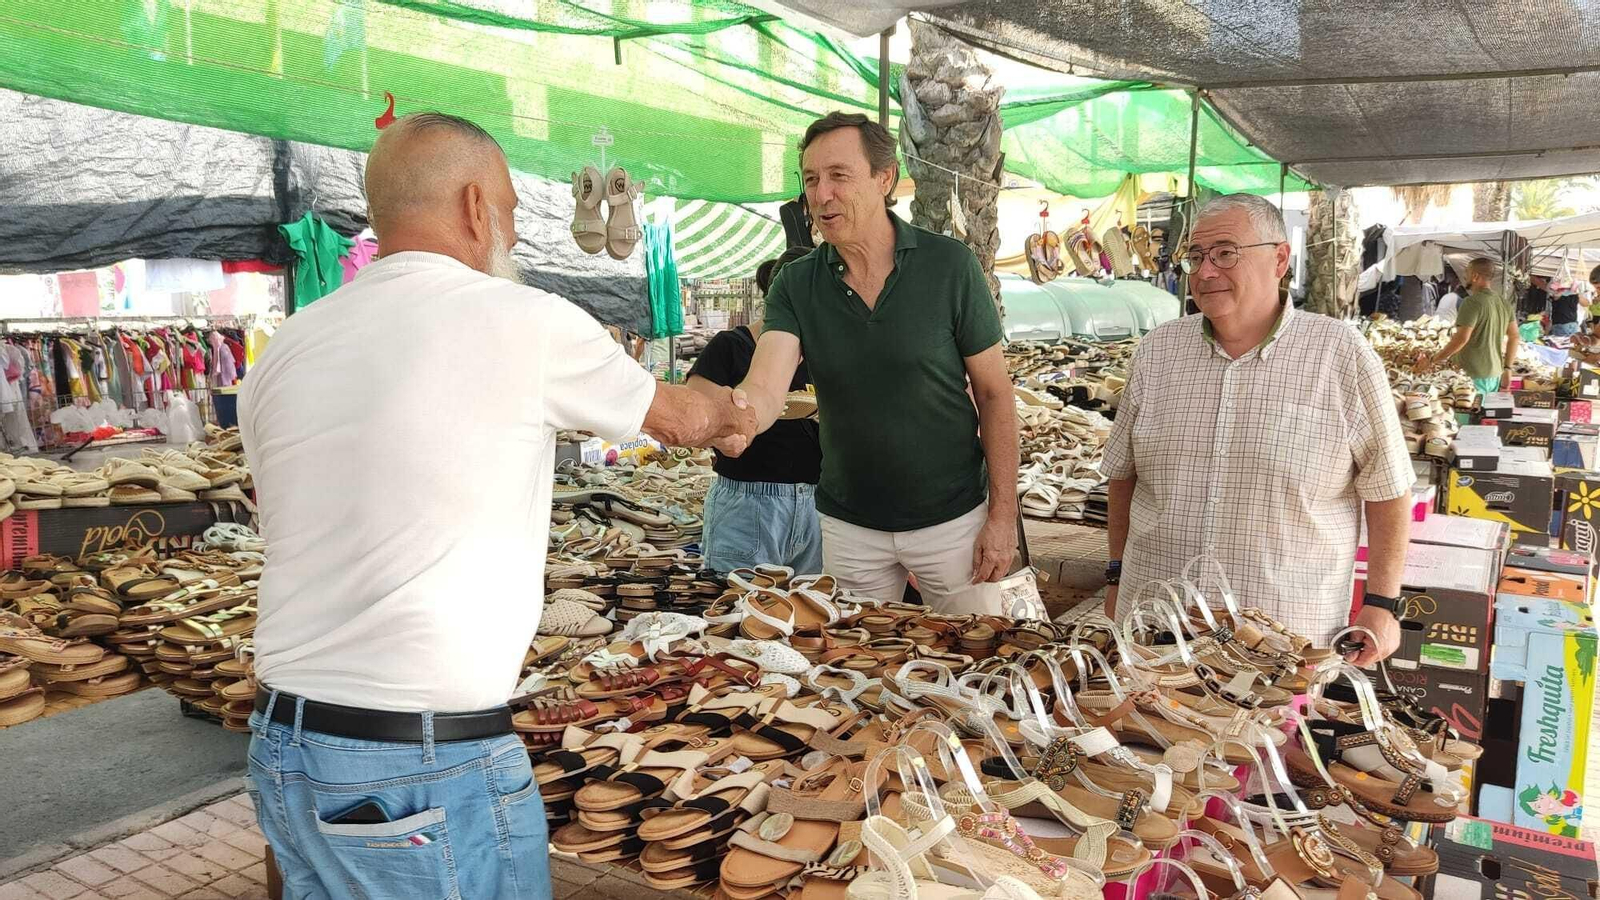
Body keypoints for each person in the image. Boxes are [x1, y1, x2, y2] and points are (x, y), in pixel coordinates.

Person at [238, 112, 755, 899]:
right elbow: (684, 420)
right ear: (476, 206)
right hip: (418, 761)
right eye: (511, 211)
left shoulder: (289, 349)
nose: (510, 233)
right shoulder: (522, 321)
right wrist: (736, 407)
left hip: (286, 745)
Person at [1102, 193, 1415, 666]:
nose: (1206, 272)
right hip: (1156, 626)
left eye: (1226, 253)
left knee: (1262, 745)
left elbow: (1388, 488)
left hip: (1282, 640)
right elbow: (1123, 476)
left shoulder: (1340, 355)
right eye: (1195, 257)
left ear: (1280, 259)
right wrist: (1114, 576)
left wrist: (1382, 604)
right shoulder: (1158, 351)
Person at [730, 111, 1020, 615]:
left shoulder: (949, 266)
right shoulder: (797, 283)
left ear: (885, 179)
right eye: (811, 179)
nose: (821, 196)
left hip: (952, 521)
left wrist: (1001, 514)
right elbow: (767, 382)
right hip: (850, 528)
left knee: (976, 660)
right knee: (859, 671)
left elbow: (995, 394)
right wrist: (733, 416)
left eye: (839, 176)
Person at [687, 246, 822, 574]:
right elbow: (697, 413)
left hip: (816, 503)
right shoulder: (731, 347)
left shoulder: (821, 353)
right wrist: (725, 429)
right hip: (749, 501)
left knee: (812, 619)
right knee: (739, 615)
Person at [1415, 257, 1519, 396]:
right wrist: (1508, 368)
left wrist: (1434, 360)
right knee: (1482, 415)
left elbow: (1461, 339)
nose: (1465, 277)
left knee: (1466, 415)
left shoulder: (1471, 302)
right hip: (1494, 374)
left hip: (1472, 375)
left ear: (1475, 276)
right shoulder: (1503, 303)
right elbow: (1514, 336)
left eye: (1467, 273)